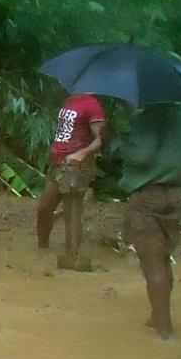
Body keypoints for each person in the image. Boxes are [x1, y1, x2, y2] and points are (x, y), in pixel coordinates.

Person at [114, 103, 181, 341]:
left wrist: (116, 141)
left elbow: (141, 156)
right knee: (163, 258)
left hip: (149, 195)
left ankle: (164, 330)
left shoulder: (147, 117)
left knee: (152, 262)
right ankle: (157, 316)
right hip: (175, 194)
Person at [36, 91, 105, 254]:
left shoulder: (92, 104)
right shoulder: (70, 100)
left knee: (71, 211)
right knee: (44, 208)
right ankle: (42, 248)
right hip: (58, 162)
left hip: (76, 165)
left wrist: (82, 153)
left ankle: (72, 253)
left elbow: (101, 138)